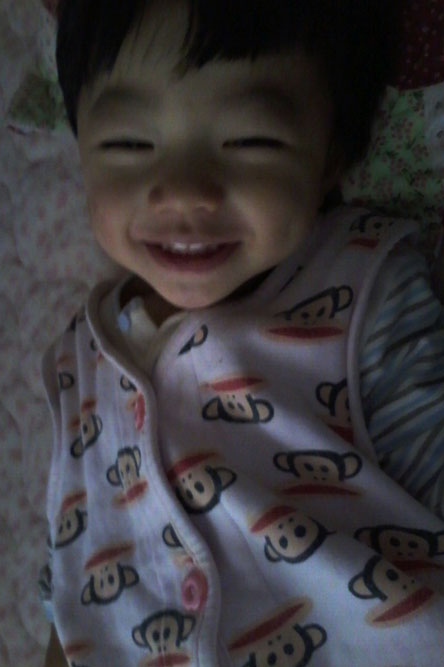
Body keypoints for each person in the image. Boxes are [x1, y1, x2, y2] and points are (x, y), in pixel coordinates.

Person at [41, 1, 444, 665]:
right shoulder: (74, 359)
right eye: (128, 144)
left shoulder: (361, 288)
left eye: (251, 141)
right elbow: (71, 581)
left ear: (332, 155)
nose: (183, 191)